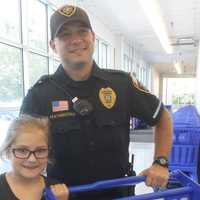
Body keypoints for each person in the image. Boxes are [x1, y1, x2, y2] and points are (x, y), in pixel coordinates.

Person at [20, 4, 173, 199]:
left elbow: (162, 117)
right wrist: (40, 184)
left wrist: (160, 162)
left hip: (118, 192)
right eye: (65, 35)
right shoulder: (39, 95)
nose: (76, 40)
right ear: (52, 45)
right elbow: (22, 152)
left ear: (92, 37)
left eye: (82, 31)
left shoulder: (122, 84)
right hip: (65, 196)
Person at [0, 115, 69, 200]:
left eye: (40, 151)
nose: (32, 159)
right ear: (7, 151)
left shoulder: (57, 189)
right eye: (22, 150)